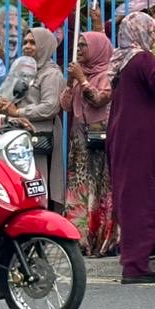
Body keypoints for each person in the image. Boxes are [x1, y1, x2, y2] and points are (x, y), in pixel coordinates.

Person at [108, 12, 155, 284]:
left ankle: (142, 249)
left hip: (123, 135)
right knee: (140, 197)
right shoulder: (142, 58)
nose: (153, 35)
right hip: (139, 137)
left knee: (129, 194)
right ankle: (135, 265)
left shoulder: (123, 59)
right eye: (151, 31)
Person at [60, 31, 117, 257]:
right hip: (80, 142)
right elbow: (65, 106)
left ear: (97, 49)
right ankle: (78, 238)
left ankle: (100, 237)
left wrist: (83, 80)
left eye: (84, 45)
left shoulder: (107, 74)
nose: (79, 49)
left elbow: (99, 99)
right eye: (78, 45)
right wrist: (70, 83)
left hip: (99, 140)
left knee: (100, 189)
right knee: (79, 189)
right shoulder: (79, 74)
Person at [0, 26, 65, 204]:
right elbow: (3, 93)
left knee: (38, 184)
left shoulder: (51, 74)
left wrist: (18, 112)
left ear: (44, 46)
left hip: (39, 135)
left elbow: (50, 107)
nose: (27, 46)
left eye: (33, 43)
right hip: (15, 135)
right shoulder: (22, 70)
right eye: (25, 42)